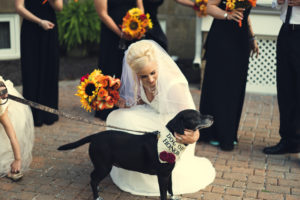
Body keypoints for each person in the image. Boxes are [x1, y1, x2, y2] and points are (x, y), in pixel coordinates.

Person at [106, 40, 215, 196]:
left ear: (158, 66)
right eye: (144, 76)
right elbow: (141, 101)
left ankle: (149, 178)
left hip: (172, 127)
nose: (150, 79)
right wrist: (124, 104)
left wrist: (194, 136)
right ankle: (128, 171)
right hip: (152, 115)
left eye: (153, 73)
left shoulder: (173, 85)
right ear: (136, 74)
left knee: (135, 131)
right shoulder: (139, 79)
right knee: (116, 117)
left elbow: (191, 116)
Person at [198, 0, 259, 151]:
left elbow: (245, 15)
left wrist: (251, 37)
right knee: (220, 86)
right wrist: (227, 15)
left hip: (240, 40)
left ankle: (229, 133)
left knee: (235, 87)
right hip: (222, 39)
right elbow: (209, 7)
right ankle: (214, 133)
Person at [15, 0, 63, 127]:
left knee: (50, 69)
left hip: (50, 29)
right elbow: (19, 8)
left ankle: (49, 113)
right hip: (31, 30)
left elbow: (59, 7)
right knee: (31, 70)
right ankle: (32, 114)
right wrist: (39, 21)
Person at [93, 0, 144, 121]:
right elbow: (102, 14)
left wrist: (140, 27)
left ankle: (129, 104)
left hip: (132, 33)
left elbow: (140, 7)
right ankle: (106, 106)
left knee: (131, 68)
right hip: (111, 33)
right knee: (110, 66)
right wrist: (120, 33)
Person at [263, 0, 300, 154]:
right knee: (285, 89)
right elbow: (275, 4)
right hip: (286, 32)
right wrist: (278, 1)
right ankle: (288, 140)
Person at [0, 76, 34, 181]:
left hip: (10, 110)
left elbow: (12, 136)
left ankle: (11, 166)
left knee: (7, 136)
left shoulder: (2, 111)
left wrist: (17, 159)